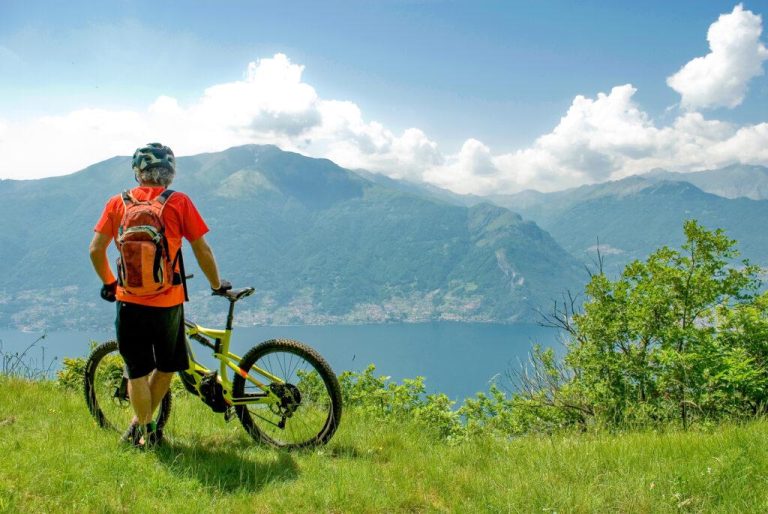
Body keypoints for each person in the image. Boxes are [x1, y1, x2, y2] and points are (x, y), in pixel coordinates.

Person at [89, 142, 230, 448]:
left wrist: (110, 283)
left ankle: (145, 430)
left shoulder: (117, 203)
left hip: (129, 302)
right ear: (169, 174)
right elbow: (201, 249)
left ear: (138, 173)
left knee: (136, 372)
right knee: (166, 368)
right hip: (168, 303)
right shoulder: (179, 202)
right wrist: (216, 284)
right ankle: (144, 430)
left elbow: (96, 250)